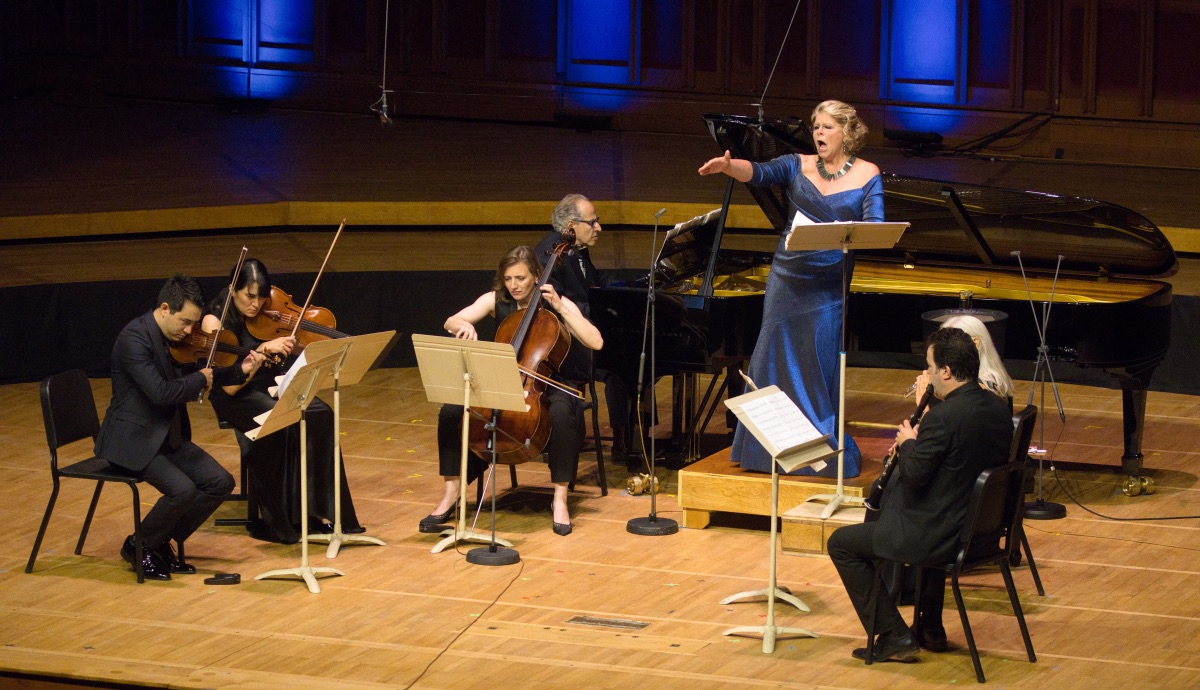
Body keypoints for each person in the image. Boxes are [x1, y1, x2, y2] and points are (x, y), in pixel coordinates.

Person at [698, 99, 883, 478]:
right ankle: (761, 451)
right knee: (771, 359)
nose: (818, 133)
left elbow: (875, 226)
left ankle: (814, 446)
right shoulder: (798, 164)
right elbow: (761, 173)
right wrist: (729, 166)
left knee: (816, 364)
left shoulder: (868, 173)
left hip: (829, 284)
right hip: (788, 279)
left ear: (847, 132)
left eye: (827, 126)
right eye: (815, 126)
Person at [826, 328, 1013, 663]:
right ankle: (929, 628)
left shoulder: (943, 417)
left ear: (946, 371)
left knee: (842, 543)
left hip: (938, 534)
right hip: (980, 533)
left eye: (929, 367)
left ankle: (895, 635)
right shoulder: (998, 409)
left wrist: (909, 443)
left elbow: (913, 478)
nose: (926, 375)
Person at [420, 245, 604, 536]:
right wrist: (464, 325)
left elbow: (595, 342)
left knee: (562, 411)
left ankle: (560, 499)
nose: (514, 286)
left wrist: (560, 308)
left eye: (520, 278)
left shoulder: (554, 301)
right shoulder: (496, 300)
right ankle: (451, 493)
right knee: (452, 410)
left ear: (536, 276)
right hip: (503, 379)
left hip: (550, 380)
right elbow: (450, 320)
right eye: (508, 279)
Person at [95, 274, 260, 581]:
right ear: (165, 308)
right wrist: (200, 380)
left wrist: (241, 369)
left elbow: (204, 369)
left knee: (219, 482)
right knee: (182, 491)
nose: (189, 332)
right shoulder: (133, 339)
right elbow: (161, 391)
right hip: (132, 440)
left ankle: (158, 542)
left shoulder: (175, 339)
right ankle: (138, 545)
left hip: (164, 437)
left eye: (193, 324)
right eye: (185, 322)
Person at [202, 259, 365, 544]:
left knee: (320, 413)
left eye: (262, 298)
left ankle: (320, 511)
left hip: (268, 385)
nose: (256, 305)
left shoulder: (264, 315)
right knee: (284, 420)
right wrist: (263, 350)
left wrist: (298, 347)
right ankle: (282, 520)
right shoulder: (213, 321)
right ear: (232, 289)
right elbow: (227, 386)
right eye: (249, 296)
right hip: (236, 395)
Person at [534, 194, 634, 466]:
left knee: (629, 357)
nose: (598, 227)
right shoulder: (550, 255)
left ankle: (630, 434)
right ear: (570, 224)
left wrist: (634, 286)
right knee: (619, 367)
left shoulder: (576, 248)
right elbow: (558, 306)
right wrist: (596, 321)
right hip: (566, 345)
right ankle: (623, 442)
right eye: (592, 222)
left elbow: (595, 282)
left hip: (584, 332)